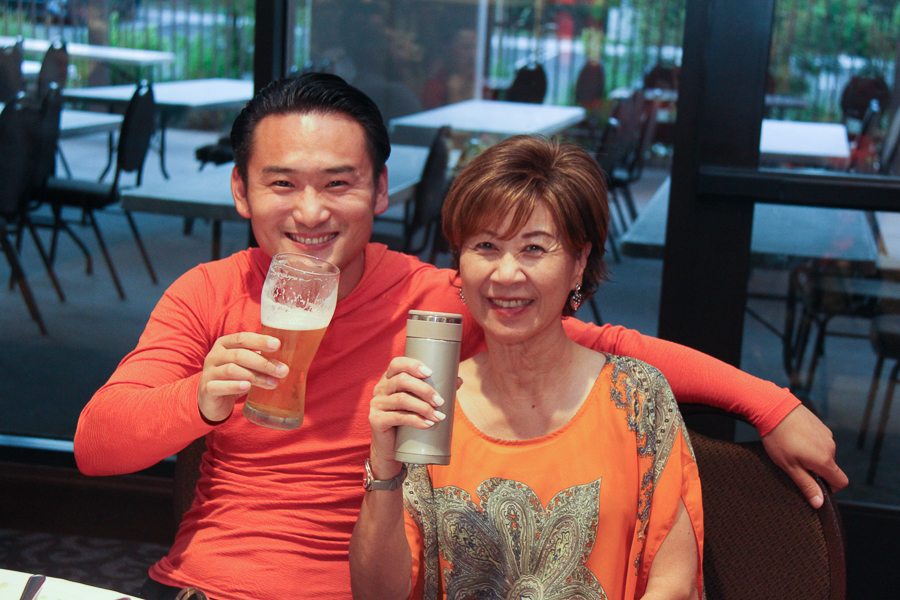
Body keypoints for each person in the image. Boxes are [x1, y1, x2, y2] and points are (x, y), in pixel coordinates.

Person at [73, 73, 843, 600]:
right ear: (241, 190)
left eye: (338, 183)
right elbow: (95, 446)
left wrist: (770, 405)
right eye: (282, 183)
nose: (310, 212)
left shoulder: (435, 303)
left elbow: (607, 347)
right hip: (207, 586)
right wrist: (199, 399)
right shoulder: (208, 292)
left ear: (381, 189)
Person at [350, 135, 702, 600]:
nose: (506, 274)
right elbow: (377, 594)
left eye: (534, 248)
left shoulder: (637, 398)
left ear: (579, 263)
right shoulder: (431, 407)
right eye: (486, 246)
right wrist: (384, 467)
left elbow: (675, 583)